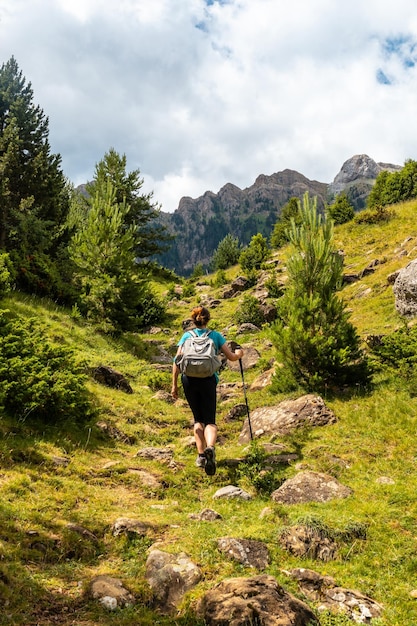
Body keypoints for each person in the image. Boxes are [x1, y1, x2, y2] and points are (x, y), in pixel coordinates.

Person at [171, 306, 244, 476]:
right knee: (210, 420)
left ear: (193, 320)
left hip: (188, 380)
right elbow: (232, 357)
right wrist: (240, 353)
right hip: (208, 381)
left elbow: (177, 361)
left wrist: (174, 385)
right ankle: (210, 447)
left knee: (198, 418)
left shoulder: (186, 336)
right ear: (208, 320)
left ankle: (201, 456)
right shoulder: (215, 336)